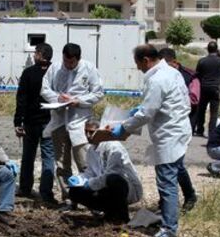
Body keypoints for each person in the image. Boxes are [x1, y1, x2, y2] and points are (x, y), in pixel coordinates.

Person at [112, 44, 197, 237]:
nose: (139, 69)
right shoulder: (171, 72)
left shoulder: (158, 79)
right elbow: (174, 101)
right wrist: (141, 110)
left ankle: (169, 229)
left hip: (169, 133)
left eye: (138, 64)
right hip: (179, 127)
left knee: (166, 181)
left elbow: (147, 113)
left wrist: (124, 127)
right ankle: (177, 208)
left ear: (146, 60)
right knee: (175, 170)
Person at [41, 43, 105, 205]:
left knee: (85, 163)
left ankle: (90, 199)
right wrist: (57, 98)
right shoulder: (55, 68)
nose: (68, 65)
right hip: (59, 121)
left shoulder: (89, 69)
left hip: (80, 122)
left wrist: (79, 101)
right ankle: (69, 199)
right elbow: (44, 89)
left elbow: (98, 93)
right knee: (62, 163)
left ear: (78, 59)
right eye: (66, 61)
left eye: (72, 63)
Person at [66, 122, 143, 224]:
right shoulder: (91, 150)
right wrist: (79, 179)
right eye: (86, 132)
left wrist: (90, 184)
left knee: (113, 180)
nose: (88, 135)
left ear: (100, 132)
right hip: (105, 185)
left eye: (92, 132)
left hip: (126, 188)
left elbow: (114, 173)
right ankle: (108, 212)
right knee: (74, 192)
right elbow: (90, 172)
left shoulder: (113, 146)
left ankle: (121, 217)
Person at [14, 43, 57, 204]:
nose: (33, 55)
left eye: (35, 53)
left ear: (40, 54)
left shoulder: (29, 73)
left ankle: (25, 188)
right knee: (48, 158)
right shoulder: (57, 73)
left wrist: (18, 121)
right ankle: (46, 192)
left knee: (28, 156)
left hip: (31, 122)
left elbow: (21, 99)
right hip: (50, 122)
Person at [160, 47, 200, 135]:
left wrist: (174, 100)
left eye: (166, 65)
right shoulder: (161, 75)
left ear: (174, 62)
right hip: (166, 123)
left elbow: (194, 99)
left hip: (184, 121)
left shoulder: (190, 76)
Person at [195, 40, 220, 137]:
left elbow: (198, 74)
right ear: (216, 49)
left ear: (207, 49)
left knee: (201, 109)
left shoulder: (202, 61)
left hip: (204, 87)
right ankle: (211, 132)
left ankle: (200, 129)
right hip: (216, 88)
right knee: (214, 112)